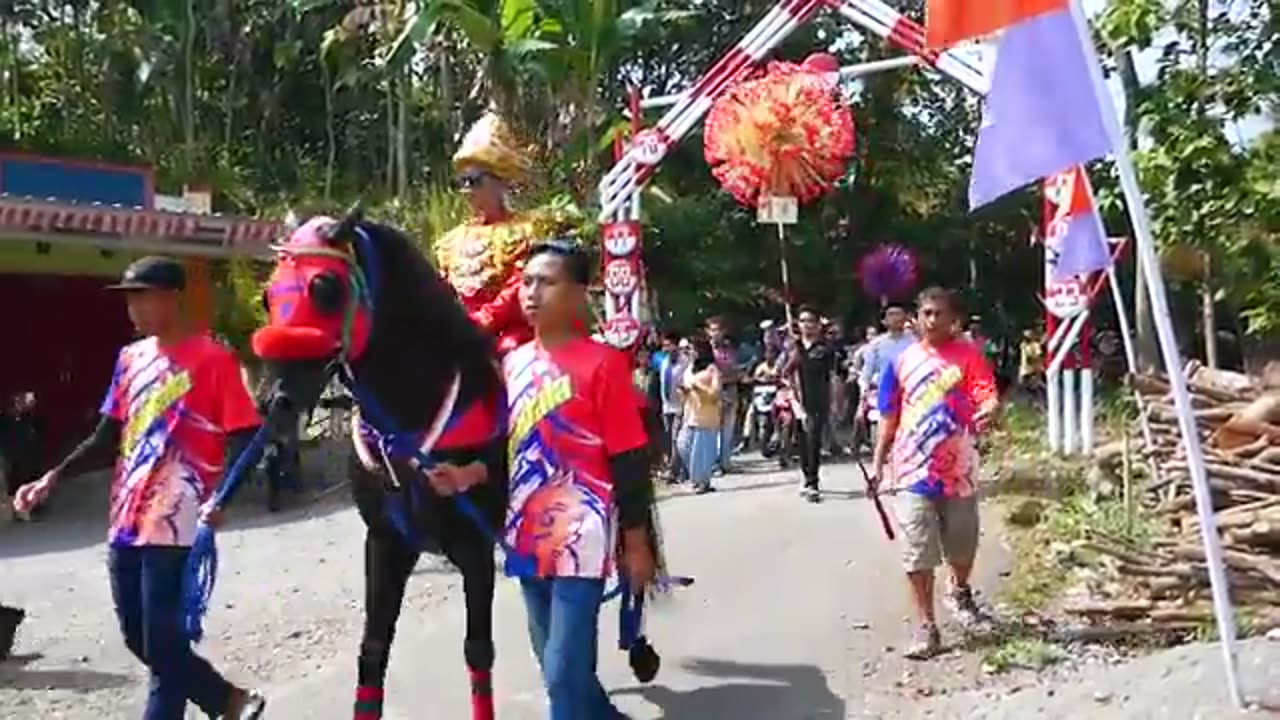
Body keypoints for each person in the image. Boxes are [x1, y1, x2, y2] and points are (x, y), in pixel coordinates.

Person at [12, 256, 268, 719]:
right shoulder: (130, 360)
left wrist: (222, 499)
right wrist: (52, 477)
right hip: (127, 518)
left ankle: (217, 703)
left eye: (143, 296)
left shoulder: (213, 360)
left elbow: (248, 438)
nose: (135, 308)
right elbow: (107, 435)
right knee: (139, 637)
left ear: (172, 298)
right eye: (130, 298)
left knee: (165, 644)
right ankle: (226, 700)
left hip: (179, 516)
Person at [501, 239, 657, 719]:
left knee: (562, 675)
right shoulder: (511, 363)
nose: (531, 292)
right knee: (560, 671)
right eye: (526, 282)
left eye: (546, 282)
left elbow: (629, 458)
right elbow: (502, 447)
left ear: (578, 293)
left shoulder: (605, 364)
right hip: (524, 534)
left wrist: (636, 541)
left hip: (581, 536)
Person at [871, 287, 999, 660]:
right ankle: (927, 626)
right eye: (926, 312)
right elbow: (889, 416)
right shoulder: (900, 362)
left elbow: (984, 392)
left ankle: (959, 589)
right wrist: (879, 463)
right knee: (917, 551)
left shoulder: (968, 357)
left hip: (958, 470)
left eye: (939, 313)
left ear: (953, 319)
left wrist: (989, 407)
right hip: (912, 469)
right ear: (917, 316)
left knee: (962, 543)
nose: (932, 319)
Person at [435, 112, 569, 356]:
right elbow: (441, 288)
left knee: (511, 352)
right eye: (461, 182)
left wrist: (484, 320)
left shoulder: (526, 230)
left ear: (500, 182)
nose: (466, 190)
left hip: (511, 332)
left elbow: (519, 284)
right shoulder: (451, 241)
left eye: (474, 181)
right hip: (460, 330)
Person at [783, 307, 837, 503]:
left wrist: (836, 401)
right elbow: (783, 372)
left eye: (810, 321)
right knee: (802, 442)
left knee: (813, 439)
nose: (807, 325)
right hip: (797, 400)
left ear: (817, 324)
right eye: (803, 321)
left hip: (818, 401)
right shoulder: (793, 346)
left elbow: (833, 375)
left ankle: (813, 482)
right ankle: (806, 476)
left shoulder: (826, 347)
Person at [680, 337, 722, 495]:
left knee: (701, 452)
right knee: (683, 445)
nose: (690, 352)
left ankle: (702, 482)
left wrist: (698, 388)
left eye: (693, 348)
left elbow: (716, 393)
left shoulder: (712, 369)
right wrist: (684, 392)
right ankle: (697, 479)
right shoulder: (690, 369)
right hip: (690, 413)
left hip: (706, 415)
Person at [705, 316, 741, 474]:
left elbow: (735, 372)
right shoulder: (705, 352)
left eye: (718, 329)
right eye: (712, 330)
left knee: (727, 430)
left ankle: (725, 461)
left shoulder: (730, 351)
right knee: (713, 429)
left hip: (730, 390)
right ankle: (714, 464)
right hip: (712, 393)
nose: (716, 333)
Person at [656, 333, 687, 483]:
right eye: (664, 346)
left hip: (680, 406)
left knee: (676, 439)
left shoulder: (685, 362)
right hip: (667, 406)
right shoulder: (664, 362)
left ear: (676, 345)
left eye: (669, 345)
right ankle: (677, 467)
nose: (666, 348)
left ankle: (673, 471)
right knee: (668, 439)